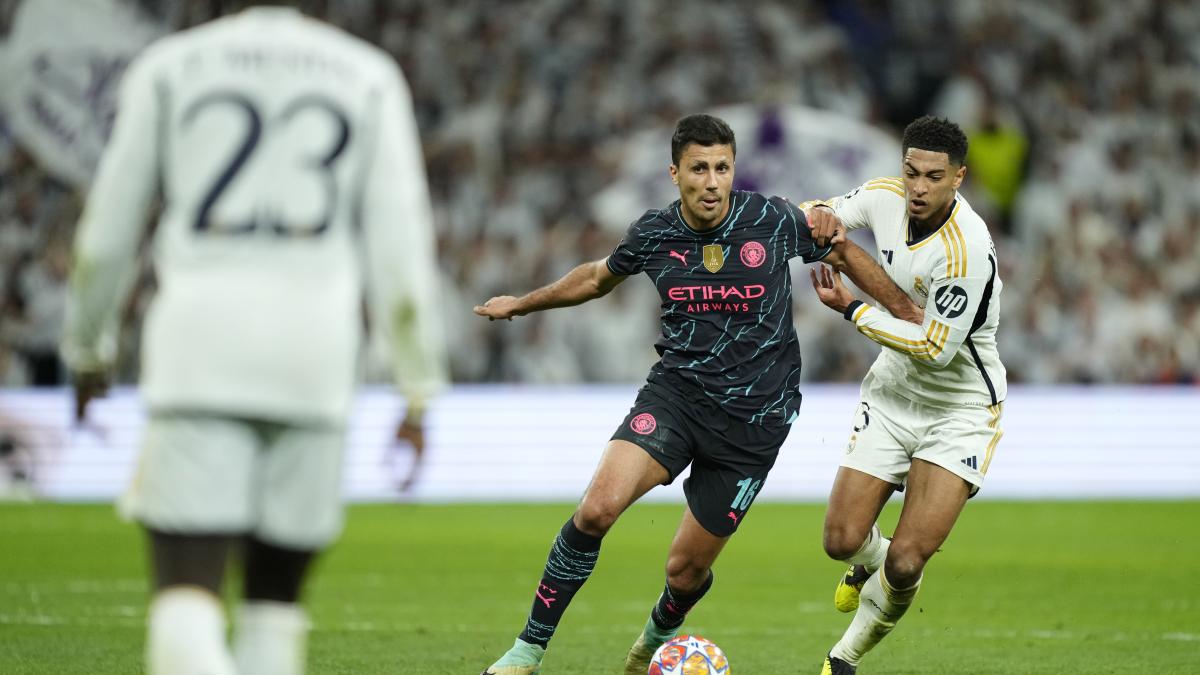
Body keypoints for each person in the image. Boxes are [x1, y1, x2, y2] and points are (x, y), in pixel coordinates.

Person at [60, 4, 447, 674]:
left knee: (186, 600)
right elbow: (403, 260)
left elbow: (104, 241)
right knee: (275, 609)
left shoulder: (171, 66)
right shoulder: (367, 75)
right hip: (316, 361)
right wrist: (417, 388)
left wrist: (87, 351)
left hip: (198, 351)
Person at [473, 113, 920, 675]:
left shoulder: (770, 218)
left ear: (735, 170)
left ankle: (650, 645)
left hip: (754, 422)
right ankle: (526, 651)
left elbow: (842, 250)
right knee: (595, 510)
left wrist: (906, 312)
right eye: (699, 169)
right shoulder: (654, 233)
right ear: (675, 173)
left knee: (685, 571)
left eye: (723, 168)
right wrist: (523, 302)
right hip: (676, 398)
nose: (712, 181)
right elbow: (595, 278)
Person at [803, 115, 1006, 674]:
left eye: (933, 177)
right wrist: (813, 213)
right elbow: (823, 216)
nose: (918, 187)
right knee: (840, 539)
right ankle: (864, 560)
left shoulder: (967, 250)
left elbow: (936, 347)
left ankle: (844, 657)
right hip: (894, 394)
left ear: (959, 177)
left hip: (959, 408)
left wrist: (852, 309)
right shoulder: (885, 197)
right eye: (911, 172)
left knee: (907, 559)